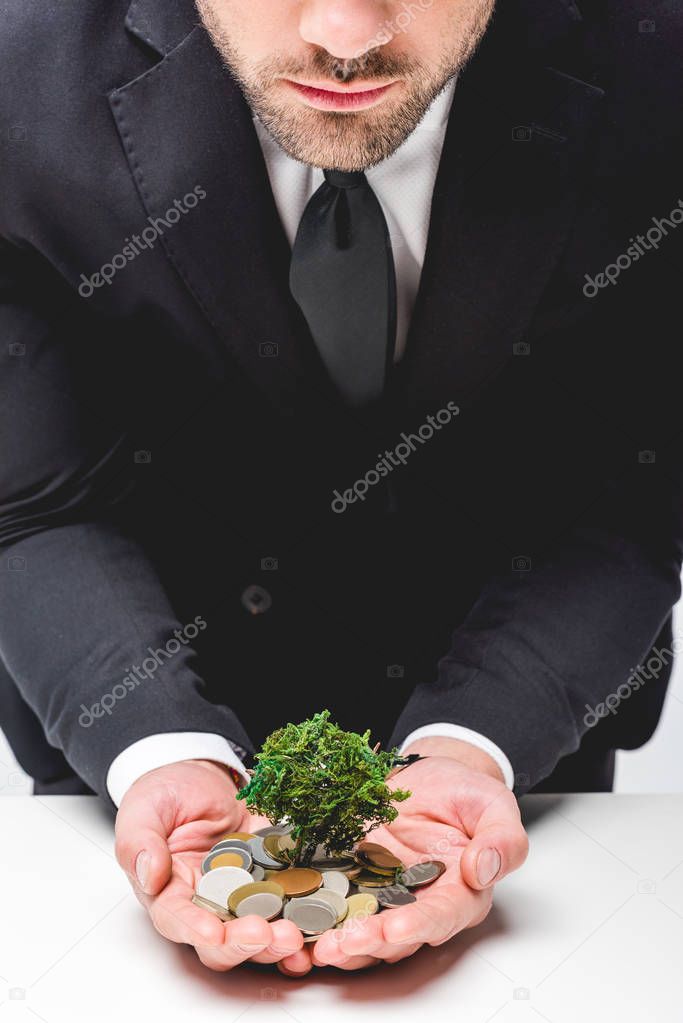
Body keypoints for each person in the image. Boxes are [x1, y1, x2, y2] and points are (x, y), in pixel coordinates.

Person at [1, 0, 681, 975]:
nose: (349, 34)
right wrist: (161, 754)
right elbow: (37, 502)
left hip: (532, 787)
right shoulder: (16, 87)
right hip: (112, 779)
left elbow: (621, 496)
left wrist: (470, 749)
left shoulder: (656, 72)